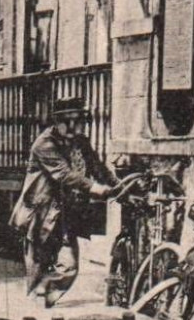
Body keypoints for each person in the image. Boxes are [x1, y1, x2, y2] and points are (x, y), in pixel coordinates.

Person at [9, 97, 118, 307]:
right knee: (38, 267)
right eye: (65, 120)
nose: (70, 126)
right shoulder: (44, 144)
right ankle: (34, 315)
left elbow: (97, 167)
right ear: (55, 121)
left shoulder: (81, 142)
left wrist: (116, 184)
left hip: (67, 215)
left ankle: (42, 303)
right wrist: (95, 188)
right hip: (41, 217)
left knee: (69, 267)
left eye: (76, 120)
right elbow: (64, 175)